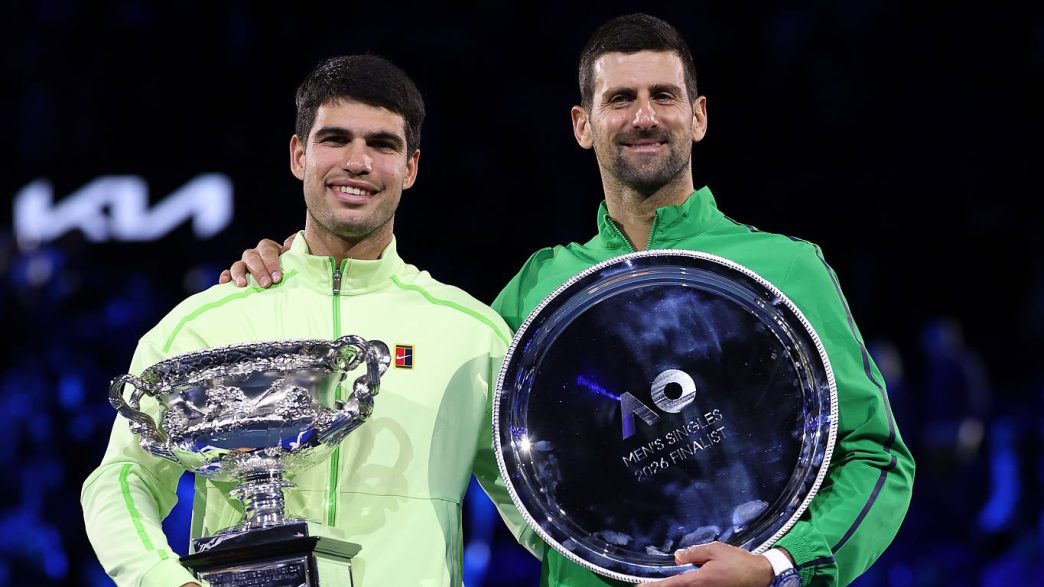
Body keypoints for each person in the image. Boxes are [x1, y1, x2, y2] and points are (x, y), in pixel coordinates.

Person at [224, 14, 915, 587]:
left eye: (663, 97)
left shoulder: (785, 268)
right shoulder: (539, 289)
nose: (644, 117)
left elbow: (879, 458)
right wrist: (302, 272)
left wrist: (775, 564)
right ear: (583, 124)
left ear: (698, 116)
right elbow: (416, 371)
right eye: (620, 99)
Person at [82, 54, 539, 587]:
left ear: (411, 167)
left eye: (382, 145)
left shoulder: (471, 331)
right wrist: (164, 581)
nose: (358, 162)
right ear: (299, 155)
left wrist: (637, 559)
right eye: (335, 139)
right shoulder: (208, 320)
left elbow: (537, 510)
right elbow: (123, 475)